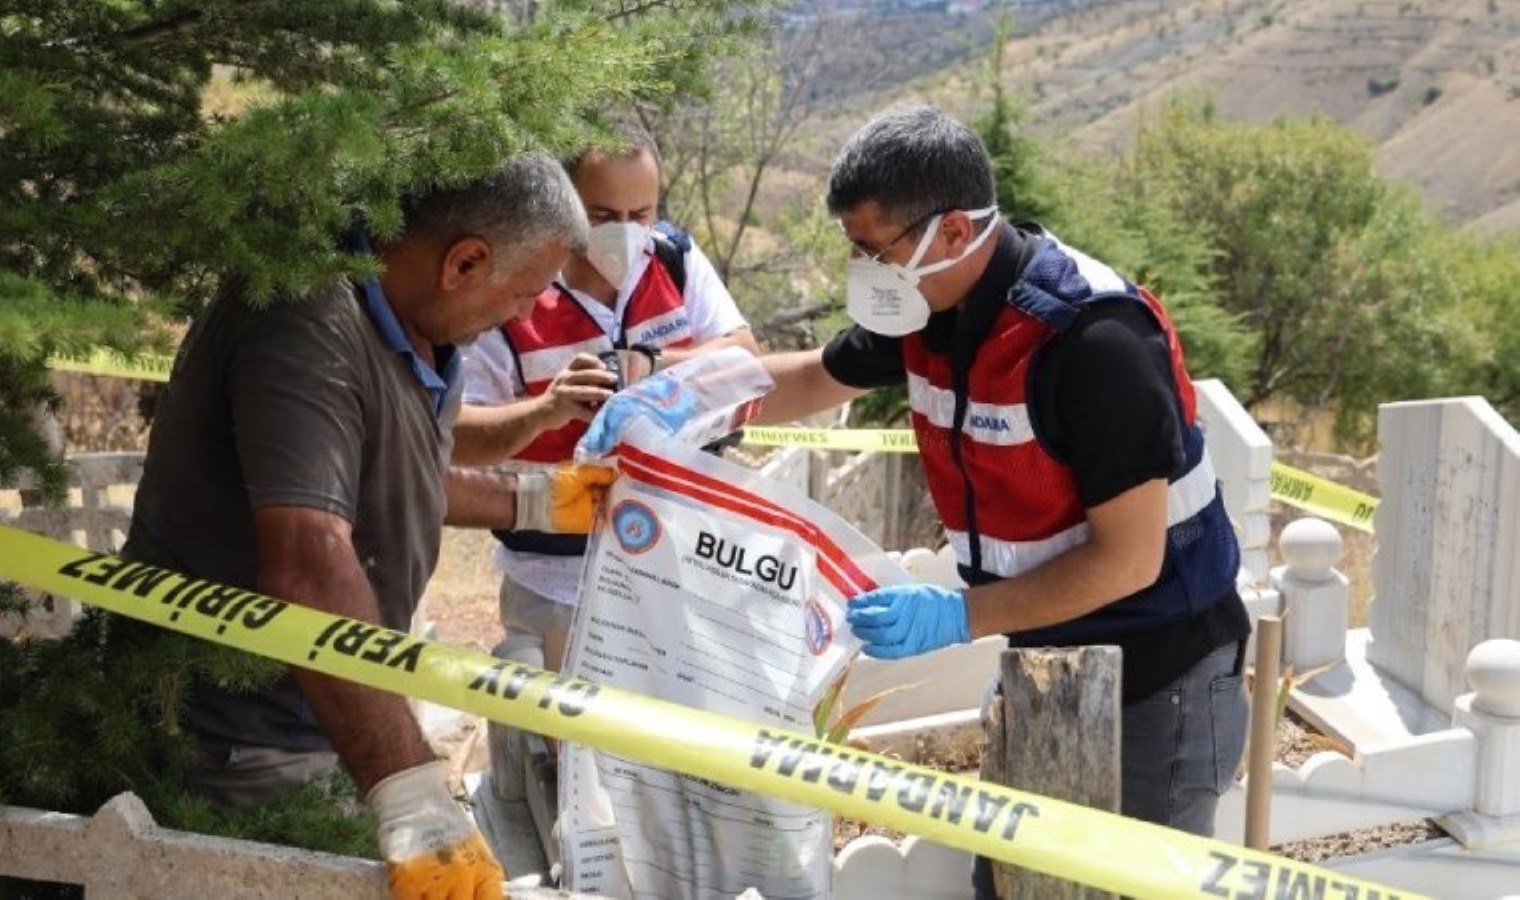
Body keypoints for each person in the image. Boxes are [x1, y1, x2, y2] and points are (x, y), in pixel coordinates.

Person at [584, 104, 1251, 878]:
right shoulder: (931, 302)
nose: (863, 271)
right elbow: (814, 377)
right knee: (1013, 881)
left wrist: (959, 615)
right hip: (1045, 655)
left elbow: (1128, 561)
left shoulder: (1093, 340)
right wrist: (674, 391)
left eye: (875, 250)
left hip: (1160, 672)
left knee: (1130, 888)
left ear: (956, 231)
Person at [121, 153, 613, 900]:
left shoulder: (420, 322)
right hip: (240, 738)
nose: (520, 316)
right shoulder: (304, 322)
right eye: (521, 294)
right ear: (465, 262)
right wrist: (412, 794)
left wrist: (535, 503)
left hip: (325, 710)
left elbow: (400, 472)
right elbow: (308, 558)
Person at [453, 120, 757, 797]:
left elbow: (743, 356)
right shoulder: (517, 293)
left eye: (640, 213)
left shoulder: (672, 260)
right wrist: (544, 413)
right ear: (566, 204)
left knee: (665, 759)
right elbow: (456, 430)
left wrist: (652, 368)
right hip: (554, 570)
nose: (626, 230)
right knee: (569, 770)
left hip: (669, 556)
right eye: (602, 215)